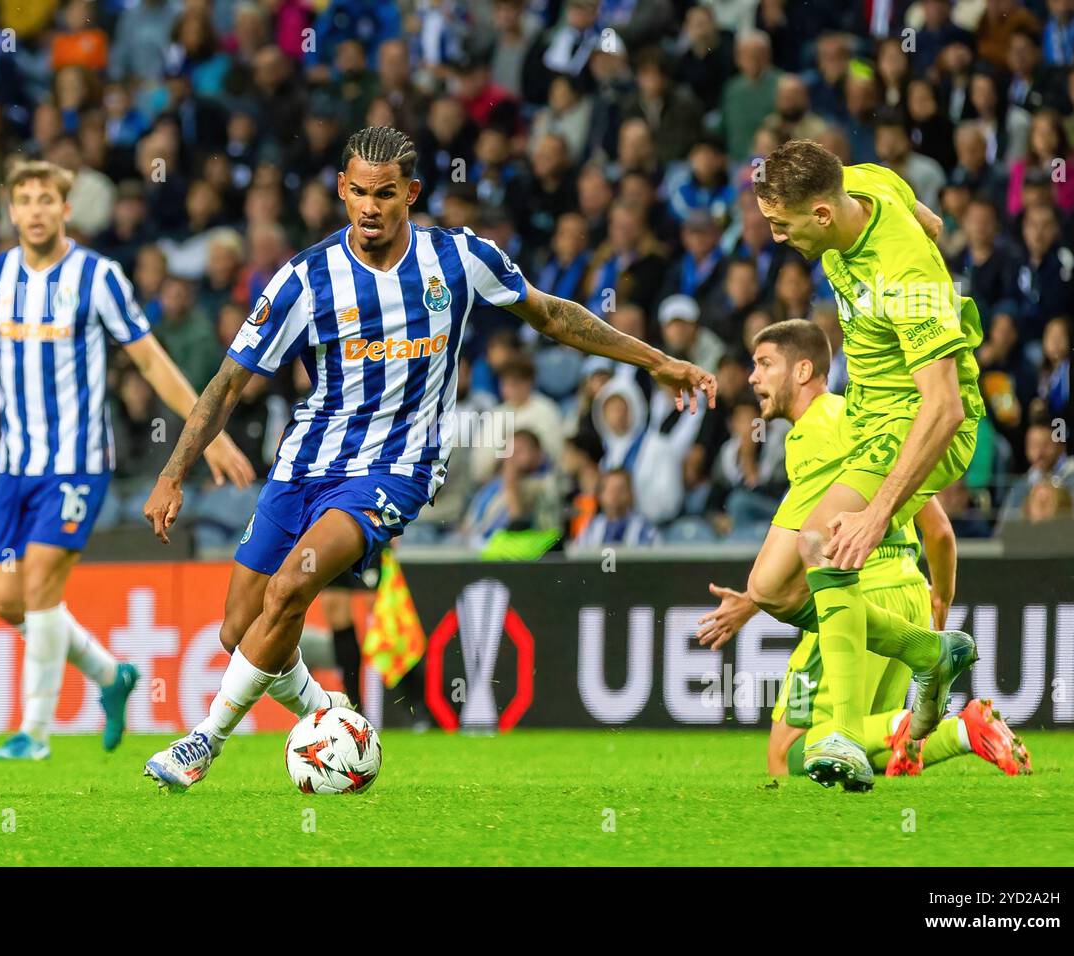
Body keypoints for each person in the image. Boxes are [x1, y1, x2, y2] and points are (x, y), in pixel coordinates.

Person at [139, 127, 716, 790]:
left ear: (411, 193)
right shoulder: (305, 279)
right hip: (304, 463)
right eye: (358, 191)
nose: (370, 206)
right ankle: (329, 714)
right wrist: (172, 472)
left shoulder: (460, 260)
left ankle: (203, 741)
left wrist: (657, 360)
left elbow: (554, 317)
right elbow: (228, 384)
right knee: (237, 629)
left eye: (385, 193)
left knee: (292, 586)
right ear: (341, 190)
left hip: (397, 468)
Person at [0, 160, 252, 761]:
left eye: (47, 198)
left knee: (42, 585)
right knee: (9, 601)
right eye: (24, 199)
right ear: (12, 211)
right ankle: (110, 675)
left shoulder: (98, 276)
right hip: (15, 465)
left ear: (66, 209)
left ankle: (34, 734)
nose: (37, 209)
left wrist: (209, 435)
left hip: (77, 463)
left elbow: (151, 360)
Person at [696, 320, 1030, 779]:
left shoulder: (810, 433)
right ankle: (955, 719)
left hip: (854, 594)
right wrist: (940, 598)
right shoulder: (866, 428)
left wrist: (758, 598)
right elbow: (939, 531)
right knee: (866, 748)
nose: (753, 377)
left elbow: (799, 557)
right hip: (910, 593)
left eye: (764, 364)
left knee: (787, 753)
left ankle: (960, 727)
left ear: (803, 370)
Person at [753, 139, 986, 790]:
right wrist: (928, 228)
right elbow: (930, 219)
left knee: (827, 545)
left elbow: (941, 409)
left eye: (782, 225)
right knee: (773, 590)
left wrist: (878, 514)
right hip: (864, 415)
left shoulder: (906, 279)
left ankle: (844, 733)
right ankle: (929, 655)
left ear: (823, 216)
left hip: (919, 419)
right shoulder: (861, 181)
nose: (775, 237)